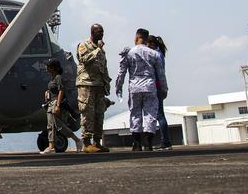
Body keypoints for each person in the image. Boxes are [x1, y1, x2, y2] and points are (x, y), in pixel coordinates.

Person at [115, 28, 167, 151]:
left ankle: (137, 144)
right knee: (150, 114)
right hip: (150, 86)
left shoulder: (129, 53)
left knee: (135, 114)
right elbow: (161, 73)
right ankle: (148, 143)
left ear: (137, 37)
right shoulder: (154, 53)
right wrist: (164, 88)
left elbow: (121, 72)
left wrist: (118, 86)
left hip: (134, 87)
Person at [76, 23, 111, 153]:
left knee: (99, 114)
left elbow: (104, 67)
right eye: (99, 32)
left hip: (99, 86)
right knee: (87, 114)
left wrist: (106, 83)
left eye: (102, 32)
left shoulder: (101, 49)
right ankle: (86, 143)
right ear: (92, 32)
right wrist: (97, 50)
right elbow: (84, 59)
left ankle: (97, 142)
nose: (101, 34)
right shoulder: (84, 45)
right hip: (87, 85)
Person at [40, 58, 83, 154]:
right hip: (50, 103)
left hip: (55, 103)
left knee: (59, 126)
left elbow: (61, 90)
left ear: (53, 68)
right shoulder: (53, 78)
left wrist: (58, 105)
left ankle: (77, 140)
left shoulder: (58, 77)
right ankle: (51, 147)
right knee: (50, 126)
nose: (46, 67)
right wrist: (48, 93)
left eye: (48, 66)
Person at [147, 35, 172, 149]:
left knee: (159, 115)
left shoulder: (155, 55)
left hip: (155, 87)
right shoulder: (160, 54)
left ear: (150, 44)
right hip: (159, 86)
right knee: (160, 114)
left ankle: (165, 141)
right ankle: (165, 141)